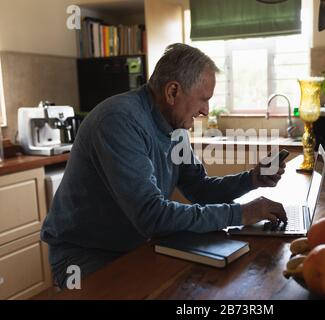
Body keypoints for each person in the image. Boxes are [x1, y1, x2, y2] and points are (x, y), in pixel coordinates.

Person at [41, 43, 287, 289]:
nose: (206, 111)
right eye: (203, 99)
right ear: (172, 92)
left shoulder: (175, 129)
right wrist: (242, 214)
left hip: (135, 243)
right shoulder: (119, 121)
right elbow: (151, 215)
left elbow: (199, 188)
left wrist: (252, 179)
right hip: (84, 253)